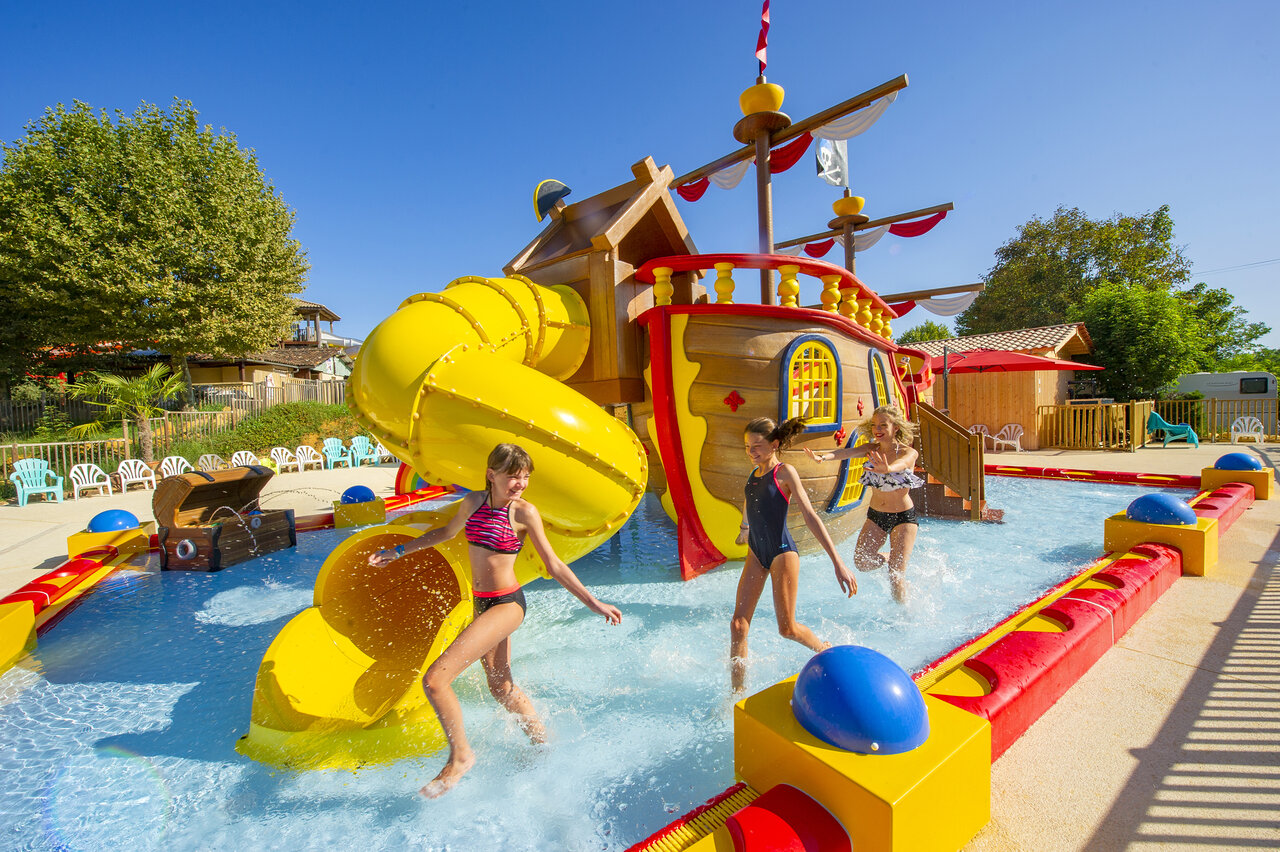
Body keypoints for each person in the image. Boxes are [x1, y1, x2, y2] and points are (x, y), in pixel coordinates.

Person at [367, 442, 622, 798]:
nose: (520, 483)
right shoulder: (472, 503)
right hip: (482, 604)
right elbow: (445, 533)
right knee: (501, 688)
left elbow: (553, 565)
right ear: (492, 474)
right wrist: (397, 551)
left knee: (436, 680)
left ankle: (461, 757)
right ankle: (544, 746)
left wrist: (593, 602)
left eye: (525, 477)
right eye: (513, 476)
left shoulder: (524, 513)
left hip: (508, 604)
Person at [732, 416, 857, 694]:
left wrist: (837, 562)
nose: (751, 452)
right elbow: (749, 500)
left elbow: (811, 516)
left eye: (757, 446)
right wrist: (744, 528)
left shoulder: (784, 472)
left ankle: (824, 649)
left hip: (781, 552)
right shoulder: (754, 475)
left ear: (774, 444)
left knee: (787, 629)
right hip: (756, 551)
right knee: (738, 626)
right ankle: (737, 694)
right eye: (747, 447)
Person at [805, 405, 922, 604]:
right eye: (875, 425)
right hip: (876, 515)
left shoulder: (908, 452)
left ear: (896, 428)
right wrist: (822, 458)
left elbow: (902, 463)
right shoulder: (871, 450)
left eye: (883, 425)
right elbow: (846, 453)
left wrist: (888, 469)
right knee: (862, 562)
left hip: (903, 517)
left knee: (895, 576)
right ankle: (888, 557)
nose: (878, 429)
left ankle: (903, 618)